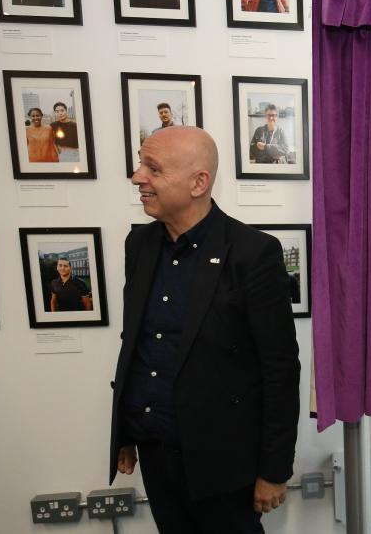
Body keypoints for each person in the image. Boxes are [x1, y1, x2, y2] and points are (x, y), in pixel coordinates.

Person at [109, 126, 300, 534]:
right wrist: (126, 430)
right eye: (141, 164)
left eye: (153, 168)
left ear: (199, 183)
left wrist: (274, 470)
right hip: (156, 449)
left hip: (224, 462)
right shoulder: (139, 245)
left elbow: (280, 369)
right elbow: (139, 345)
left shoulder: (252, 253)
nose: (137, 176)